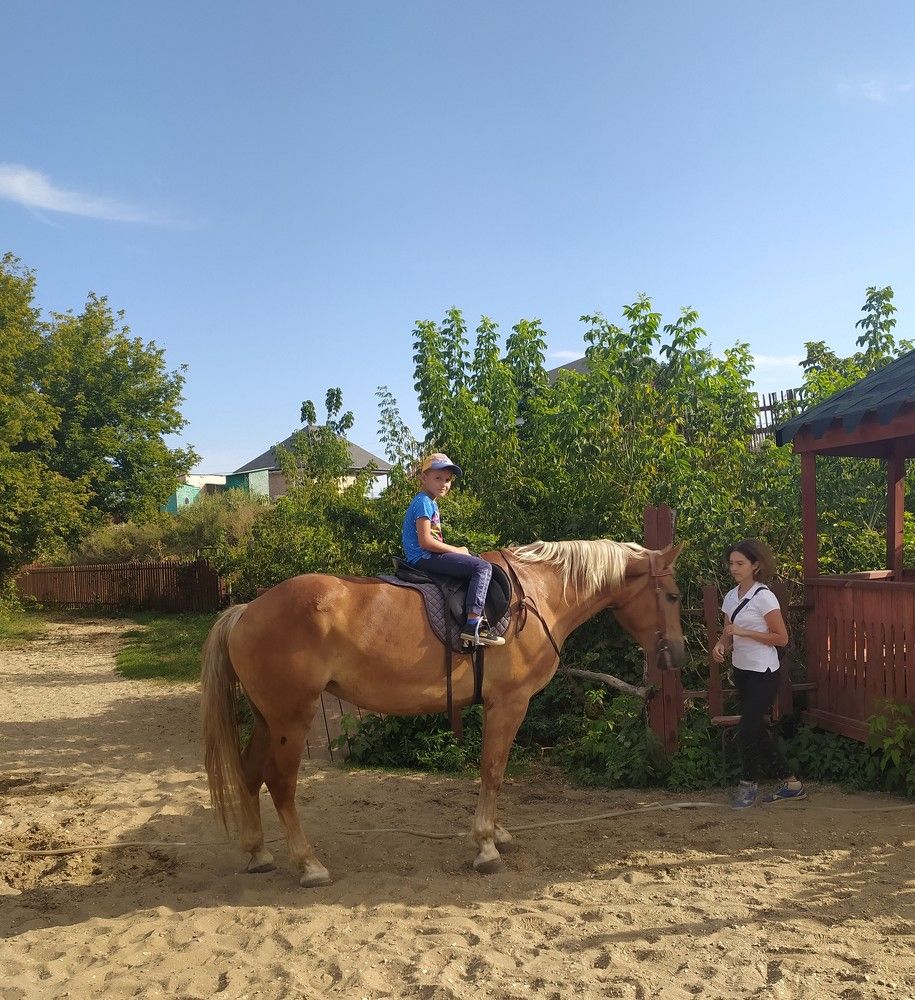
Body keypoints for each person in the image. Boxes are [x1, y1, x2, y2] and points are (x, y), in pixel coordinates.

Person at [712, 539, 806, 809]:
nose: (734, 568)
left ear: (755, 565)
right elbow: (728, 632)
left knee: (747, 729)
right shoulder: (731, 596)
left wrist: (745, 632)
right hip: (742, 670)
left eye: (740, 563)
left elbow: (781, 638)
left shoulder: (764, 597)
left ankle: (748, 785)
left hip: (763, 672)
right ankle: (792, 784)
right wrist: (721, 645)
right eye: (731, 563)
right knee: (755, 729)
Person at [401, 453, 505, 647]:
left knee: (473, 559)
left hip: (426, 555)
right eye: (438, 478)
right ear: (424, 478)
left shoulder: (429, 501)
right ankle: (473, 625)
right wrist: (456, 550)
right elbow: (426, 542)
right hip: (424, 556)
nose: (444, 484)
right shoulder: (423, 502)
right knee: (482, 567)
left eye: (447, 480)